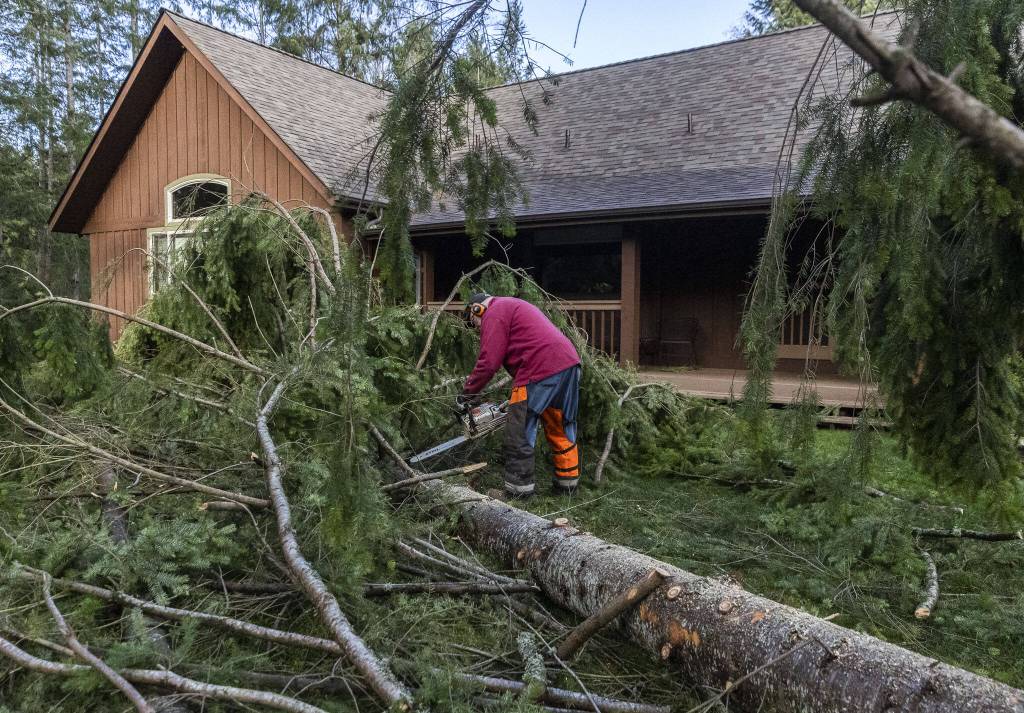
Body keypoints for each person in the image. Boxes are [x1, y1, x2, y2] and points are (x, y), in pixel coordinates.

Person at [459, 292, 581, 498]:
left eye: (474, 322)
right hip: (568, 364)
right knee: (559, 425)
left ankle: (518, 492)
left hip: (539, 369)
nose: (477, 328)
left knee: (519, 430)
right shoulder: (511, 306)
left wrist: (467, 395)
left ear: (477, 309)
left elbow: (489, 362)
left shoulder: (494, 312)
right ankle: (567, 485)